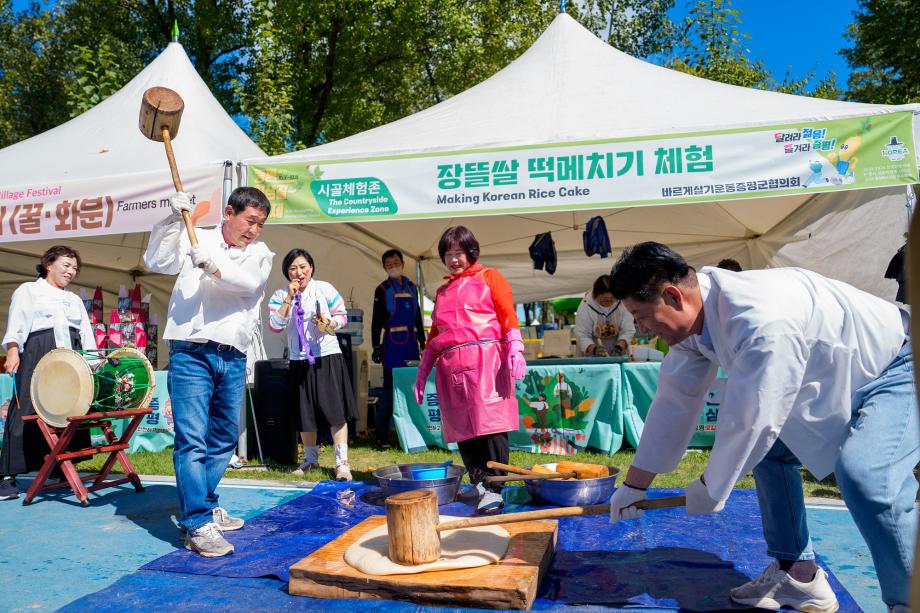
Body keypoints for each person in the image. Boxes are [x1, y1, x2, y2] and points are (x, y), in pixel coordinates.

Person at [607, 241, 916, 613]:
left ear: (673, 296)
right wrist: (634, 485)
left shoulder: (760, 318)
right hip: (838, 376)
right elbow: (674, 402)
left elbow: (752, 419)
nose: (640, 330)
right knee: (770, 452)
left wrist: (712, 487)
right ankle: (798, 576)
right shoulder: (695, 322)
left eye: (640, 316)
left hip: (899, 364)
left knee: (868, 479)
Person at [144, 187, 274, 558]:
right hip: (191, 351)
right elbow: (157, 260)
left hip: (232, 355)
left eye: (260, 225)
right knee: (192, 440)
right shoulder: (193, 235)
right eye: (250, 221)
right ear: (229, 213)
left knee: (222, 439)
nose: (254, 230)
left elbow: (248, 286)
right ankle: (198, 523)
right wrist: (172, 220)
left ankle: (207, 500)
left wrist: (213, 266)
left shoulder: (260, 254)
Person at [413, 226, 526, 515]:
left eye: (459, 253)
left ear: (471, 252)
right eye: (448, 254)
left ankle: (495, 486)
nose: (453, 260)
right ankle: (478, 482)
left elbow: (507, 313)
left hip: (486, 361)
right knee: (463, 428)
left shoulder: (491, 277)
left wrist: (515, 346)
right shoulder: (441, 291)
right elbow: (435, 332)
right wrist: (423, 368)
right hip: (452, 368)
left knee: (490, 426)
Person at [0, 246, 96, 500]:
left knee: (70, 409)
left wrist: (93, 361)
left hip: (72, 356)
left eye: (75, 268)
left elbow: (86, 332)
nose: (71, 271)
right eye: (66, 265)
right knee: (25, 409)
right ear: (48, 264)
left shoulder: (74, 299)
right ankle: (8, 475)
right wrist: (12, 352)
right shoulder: (29, 290)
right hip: (37, 351)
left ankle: (60, 466)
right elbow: (17, 323)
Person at [267, 248, 356, 481]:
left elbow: (343, 316)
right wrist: (289, 297)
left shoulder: (324, 288)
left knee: (335, 411)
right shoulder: (279, 294)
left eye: (303, 266)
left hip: (327, 355)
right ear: (287, 272)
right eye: (293, 268)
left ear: (311, 267)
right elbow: (275, 325)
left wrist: (330, 321)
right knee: (304, 412)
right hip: (298, 359)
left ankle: (342, 463)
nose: (299, 272)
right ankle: (310, 459)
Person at [371, 249, 425, 449]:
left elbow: (418, 317)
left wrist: (423, 342)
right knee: (388, 391)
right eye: (388, 264)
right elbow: (376, 320)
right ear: (384, 267)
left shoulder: (412, 287)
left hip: (411, 344)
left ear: (403, 263)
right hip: (392, 344)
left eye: (396, 262)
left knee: (412, 389)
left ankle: (413, 435)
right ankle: (381, 436)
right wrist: (376, 345)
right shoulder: (382, 289)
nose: (393, 266)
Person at [574, 274, 635, 357]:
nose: (608, 303)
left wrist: (619, 347)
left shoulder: (622, 303)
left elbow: (628, 330)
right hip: (592, 353)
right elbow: (582, 334)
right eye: (604, 300)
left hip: (619, 350)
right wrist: (594, 349)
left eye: (611, 299)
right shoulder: (585, 306)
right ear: (595, 295)